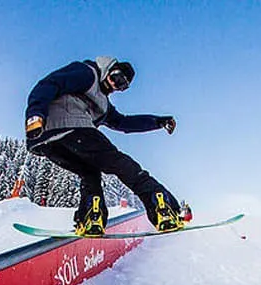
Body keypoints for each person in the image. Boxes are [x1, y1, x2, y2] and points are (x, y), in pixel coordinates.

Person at [25, 56, 185, 237]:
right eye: (115, 78)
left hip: (50, 142)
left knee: (89, 172)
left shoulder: (103, 104)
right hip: (67, 127)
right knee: (122, 164)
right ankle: (162, 208)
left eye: (121, 85)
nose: (114, 85)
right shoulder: (87, 73)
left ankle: (92, 217)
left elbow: (123, 123)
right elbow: (49, 84)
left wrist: (157, 122)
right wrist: (35, 115)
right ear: (108, 69)